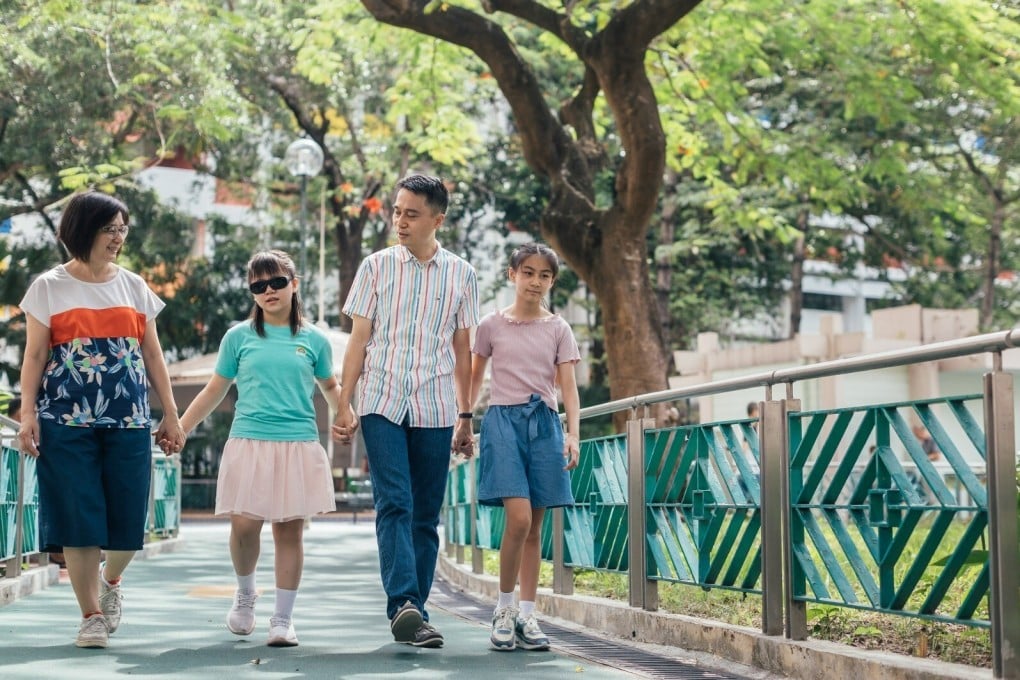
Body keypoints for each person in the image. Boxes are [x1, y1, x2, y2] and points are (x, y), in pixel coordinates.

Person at [16, 190, 185, 649]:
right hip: (64, 420)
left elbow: (152, 354)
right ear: (83, 229)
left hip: (129, 420)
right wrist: (28, 413)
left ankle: (111, 581)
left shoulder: (134, 286)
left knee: (128, 523)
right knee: (78, 517)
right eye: (110, 229)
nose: (118, 237)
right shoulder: (48, 287)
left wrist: (171, 414)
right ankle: (90, 615)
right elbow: (34, 355)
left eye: (122, 229)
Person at [335, 174, 479, 648]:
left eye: (411, 214)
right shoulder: (375, 267)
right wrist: (344, 402)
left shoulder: (462, 274)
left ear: (437, 220)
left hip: (436, 405)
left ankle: (415, 609)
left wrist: (465, 414)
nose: (400, 220)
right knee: (395, 501)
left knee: (425, 512)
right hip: (381, 400)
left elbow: (463, 349)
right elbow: (358, 340)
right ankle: (403, 605)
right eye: (397, 211)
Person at [172, 250, 341, 648]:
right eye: (258, 285)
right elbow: (215, 389)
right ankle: (246, 594)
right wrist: (181, 427)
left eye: (277, 282)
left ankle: (282, 619)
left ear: (294, 284)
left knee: (289, 532)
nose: (269, 291)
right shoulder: (238, 337)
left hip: (298, 443)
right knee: (244, 527)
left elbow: (330, 386)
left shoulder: (315, 340)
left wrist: (345, 414)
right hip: (249, 441)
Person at [469, 242, 581, 652]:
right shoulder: (490, 325)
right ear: (512, 274)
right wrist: (464, 421)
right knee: (517, 520)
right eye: (528, 272)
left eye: (544, 275)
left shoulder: (559, 329)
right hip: (502, 423)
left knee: (534, 528)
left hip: (544, 425)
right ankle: (503, 609)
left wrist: (573, 434)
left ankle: (528, 615)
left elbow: (568, 387)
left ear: (552, 281)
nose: (536, 281)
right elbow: (475, 377)